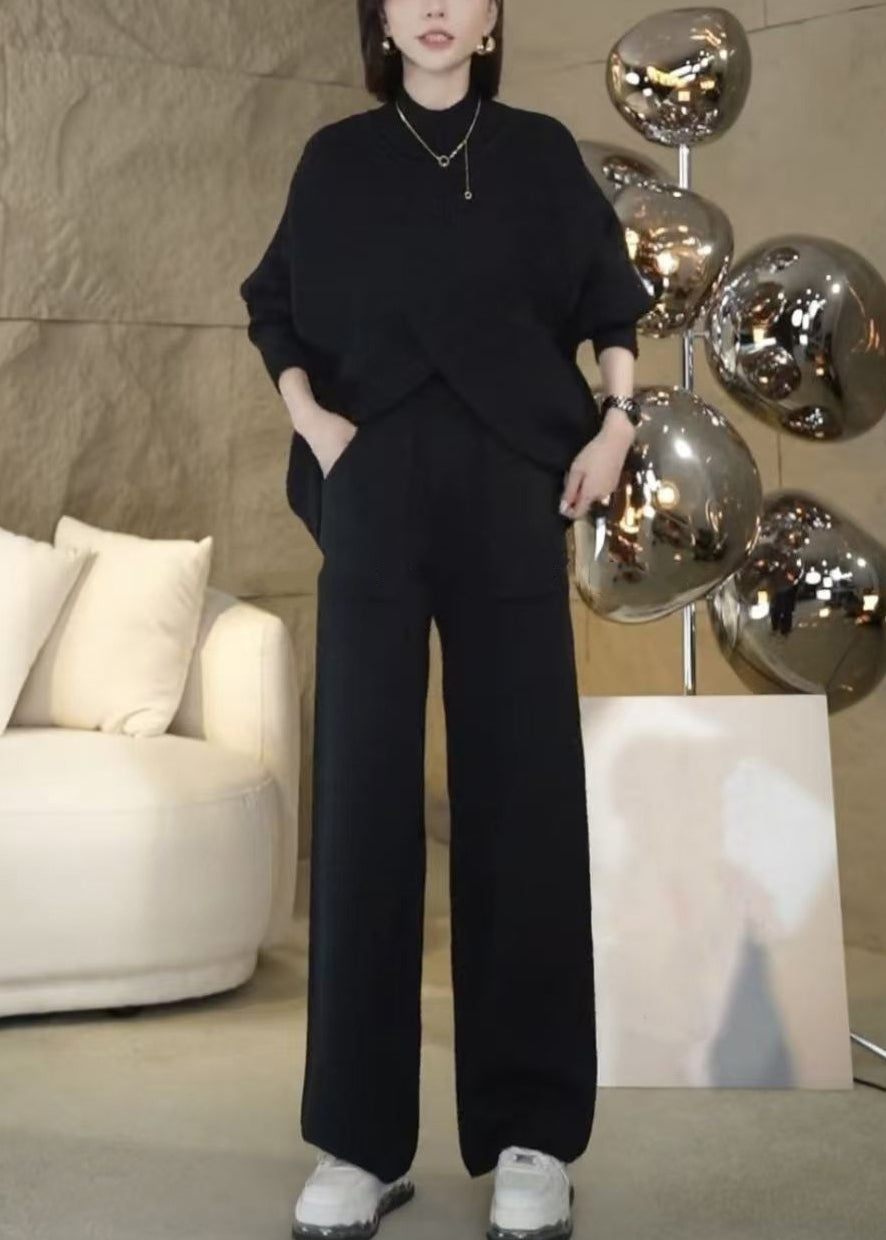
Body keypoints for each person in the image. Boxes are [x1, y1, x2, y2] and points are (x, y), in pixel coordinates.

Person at [238, 4, 656, 1238]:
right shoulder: (335, 160)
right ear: (380, 18)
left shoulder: (538, 152)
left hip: (510, 482)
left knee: (523, 792)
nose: (433, 6)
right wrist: (313, 422)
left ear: (489, 19)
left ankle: (531, 1136)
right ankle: (358, 1142)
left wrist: (617, 425)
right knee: (362, 796)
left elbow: (612, 305)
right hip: (372, 480)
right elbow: (273, 305)